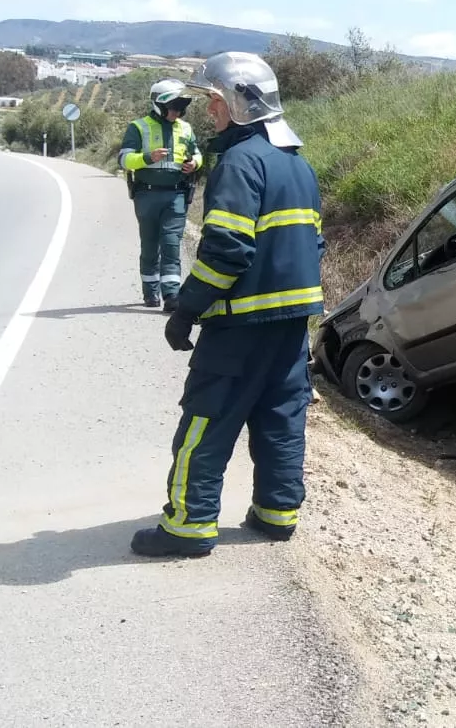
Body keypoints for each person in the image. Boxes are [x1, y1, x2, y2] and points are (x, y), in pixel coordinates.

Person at [130, 51, 326, 559]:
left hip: (240, 326)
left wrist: (188, 308)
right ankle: (276, 515)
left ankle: (188, 527)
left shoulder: (240, 162)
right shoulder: (296, 164)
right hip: (290, 328)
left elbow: (226, 250)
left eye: (214, 101)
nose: (208, 110)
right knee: (280, 419)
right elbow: (314, 243)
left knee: (205, 421)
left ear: (238, 104)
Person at [117, 78, 203, 310]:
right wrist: (147, 158)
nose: (177, 112)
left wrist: (194, 163)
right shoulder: (138, 127)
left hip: (176, 195)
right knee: (150, 245)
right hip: (147, 196)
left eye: (181, 108)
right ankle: (150, 293)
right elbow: (124, 159)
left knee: (171, 243)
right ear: (159, 104)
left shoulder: (185, 128)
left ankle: (172, 296)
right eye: (174, 107)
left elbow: (197, 153)